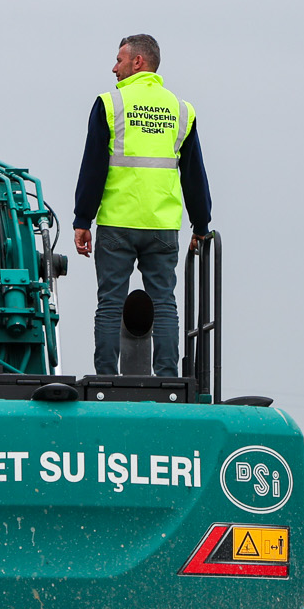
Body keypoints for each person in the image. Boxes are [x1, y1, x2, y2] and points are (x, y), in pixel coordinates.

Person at [72, 34, 211, 378]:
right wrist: (201, 227)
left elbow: (93, 166)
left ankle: (106, 377)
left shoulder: (110, 104)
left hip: (117, 224)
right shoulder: (181, 110)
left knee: (110, 304)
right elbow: (194, 174)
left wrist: (82, 219)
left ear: (138, 62)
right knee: (164, 303)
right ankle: (166, 378)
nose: (114, 67)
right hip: (162, 227)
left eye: (119, 60)